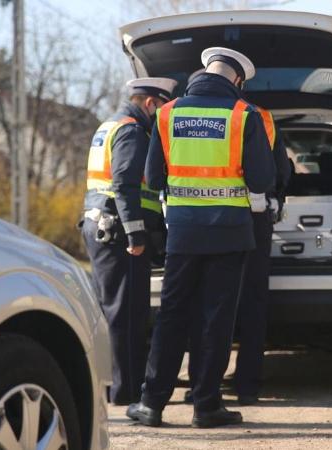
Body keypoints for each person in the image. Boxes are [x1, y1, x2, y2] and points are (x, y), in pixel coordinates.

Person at [126, 47, 275, 428]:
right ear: (237, 80)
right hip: (230, 234)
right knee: (216, 319)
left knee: (172, 315)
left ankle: (151, 403)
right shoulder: (245, 115)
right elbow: (262, 180)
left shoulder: (166, 113)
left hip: (183, 235)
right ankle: (206, 406)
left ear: (202, 72)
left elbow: (154, 179)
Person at [81, 77, 177, 406]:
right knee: (128, 313)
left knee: (113, 310)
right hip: (119, 231)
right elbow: (123, 184)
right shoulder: (132, 130)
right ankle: (127, 391)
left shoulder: (109, 125)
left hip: (101, 226)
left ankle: (115, 387)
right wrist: (136, 233)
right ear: (151, 103)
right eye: (163, 108)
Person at [232, 105, 290, 404]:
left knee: (212, 302)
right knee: (253, 301)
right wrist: (277, 198)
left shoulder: (188, 115)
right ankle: (247, 385)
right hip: (255, 219)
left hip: (209, 217)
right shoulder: (264, 118)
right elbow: (280, 171)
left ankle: (205, 384)